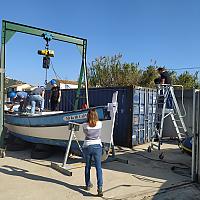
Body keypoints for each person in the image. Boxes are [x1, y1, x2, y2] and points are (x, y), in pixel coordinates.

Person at [82, 109, 103, 197]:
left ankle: (87, 185)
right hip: (97, 146)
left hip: (87, 146)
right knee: (99, 168)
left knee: (88, 166)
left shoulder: (84, 125)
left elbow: (86, 134)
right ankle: (100, 188)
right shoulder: (100, 124)